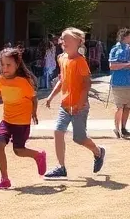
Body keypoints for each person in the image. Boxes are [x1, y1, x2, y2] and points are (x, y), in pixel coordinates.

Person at [0, 46, 48, 189]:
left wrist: (34, 113)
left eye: (8, 65)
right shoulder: (0, 80)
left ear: (17, 65)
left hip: (21, 122)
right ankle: (4, 179)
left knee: (18, 151)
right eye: (2, 64)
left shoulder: (23, 82)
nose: (5, 68)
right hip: (7, 120)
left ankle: (39, 155)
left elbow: (34, 98)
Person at [43, 27, 106, 179]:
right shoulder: (61, 58)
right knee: (58, 131)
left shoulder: (80, 61)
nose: (63, 41)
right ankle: (61, 167)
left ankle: (98, 152)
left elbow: (86, 84)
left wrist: (80, 103)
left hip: (80, 107)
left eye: (66, 39)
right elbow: (62, 80)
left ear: (78, 42)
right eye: (62, 39)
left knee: (79, 138)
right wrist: (51, 96)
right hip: (65, 106)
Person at [109, 27, 130, 138]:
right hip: (119, 82)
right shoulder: (115, 49)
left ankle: (123, 127)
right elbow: (112, 66)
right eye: (129, 37)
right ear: (124, 37)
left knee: (128, 107)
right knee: (120, 107)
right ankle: (117, 128)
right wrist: (127, 64)